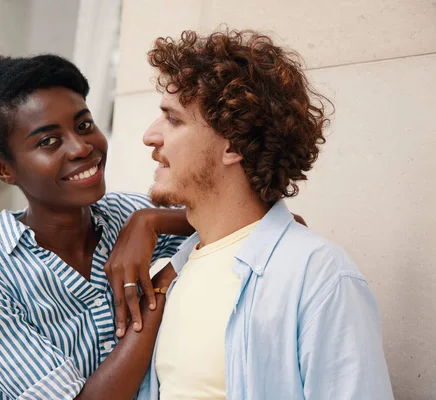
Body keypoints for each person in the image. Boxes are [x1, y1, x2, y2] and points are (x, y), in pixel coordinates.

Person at [138, 29, 394, 399]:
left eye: (173, 120)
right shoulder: (170, 271)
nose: (150, 136)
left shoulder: (319, 276)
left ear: (232, 145)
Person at [0, 51, 193, 399]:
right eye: (48, 141)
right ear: (4, 169)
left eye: (84, 125)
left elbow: (254, 222)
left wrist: (150, 221)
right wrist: (160, 291)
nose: (81, 148)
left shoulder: (128, 214)